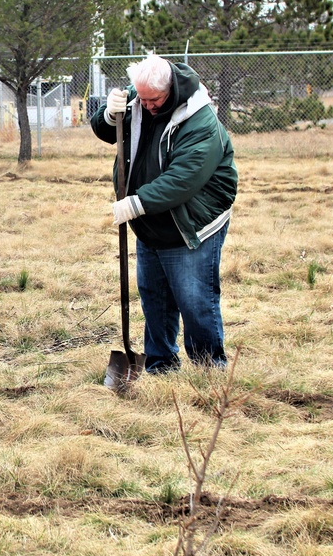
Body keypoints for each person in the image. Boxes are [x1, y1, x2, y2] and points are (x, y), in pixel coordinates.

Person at [90, 54, 237, 374]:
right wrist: (109, 115)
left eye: (153, 100)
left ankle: (208, 368)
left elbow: (183, 179)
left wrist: (135, 203)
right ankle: (160, 364)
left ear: (170, 89)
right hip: (152, 220)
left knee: (194, 299)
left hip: (191, 222)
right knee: (155, 298)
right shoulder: (139, 96)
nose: (146, 105)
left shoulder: (200, 120)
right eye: (141, 98)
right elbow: (106, 132)